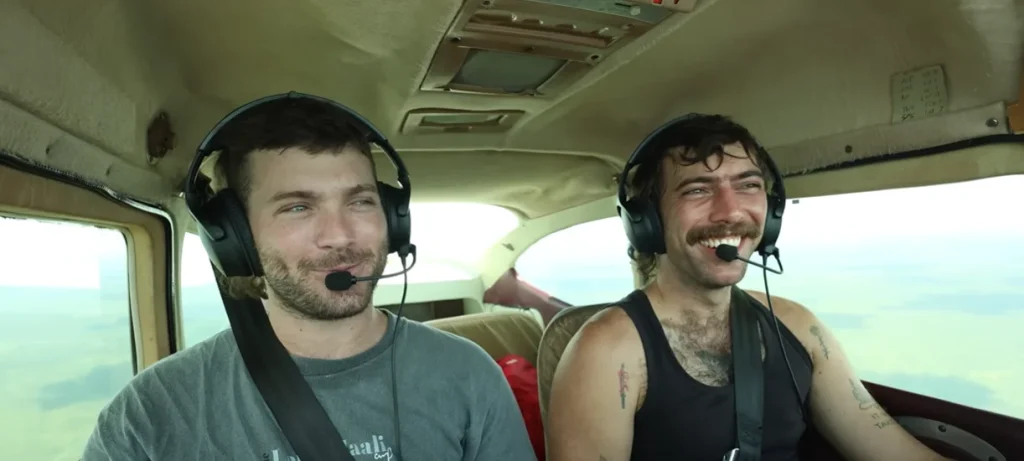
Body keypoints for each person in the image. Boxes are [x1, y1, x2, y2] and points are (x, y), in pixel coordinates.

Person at [82, 94, 537, 461]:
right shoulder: (149, 416)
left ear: (393, 219)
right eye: (297, 207)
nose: (339, 236)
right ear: (235, 238)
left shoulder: (467, 375)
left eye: (359, 202)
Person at [545, 114, 950, 460]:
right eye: (698, 190)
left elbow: (891, 449)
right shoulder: (605, 351)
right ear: (648, 222)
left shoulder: (796, 326)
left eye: (748, 185)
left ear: (771, 213)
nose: (731, 211)